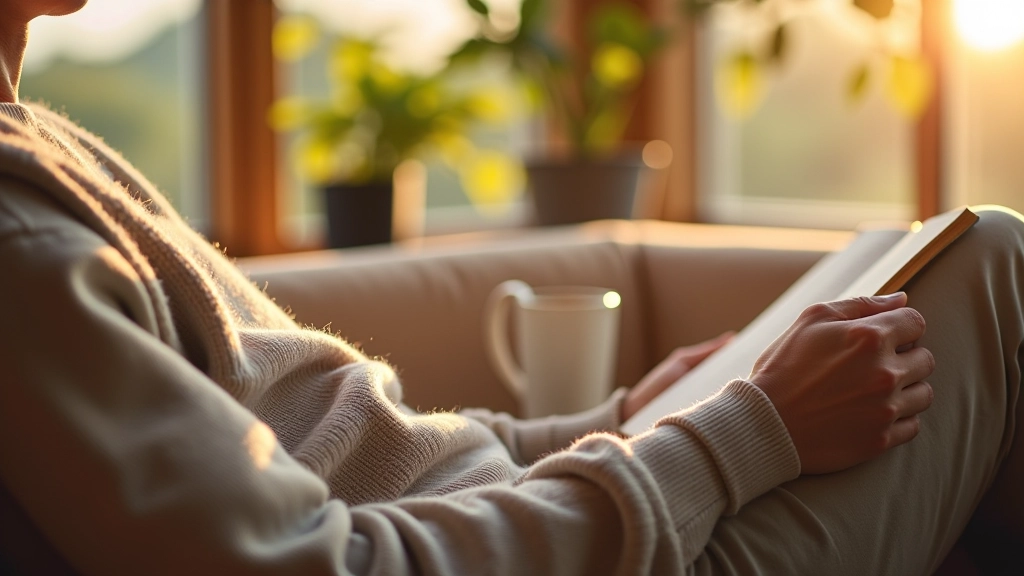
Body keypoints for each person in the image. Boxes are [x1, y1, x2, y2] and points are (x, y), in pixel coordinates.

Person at [0, 1, 1022, 574]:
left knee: (911, 253)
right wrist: (742, 433)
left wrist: (622, 416)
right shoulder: (20, 241)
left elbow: (351, 460)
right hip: (609, 554)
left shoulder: (42, 146)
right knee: (992, 262)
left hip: (567, 512)